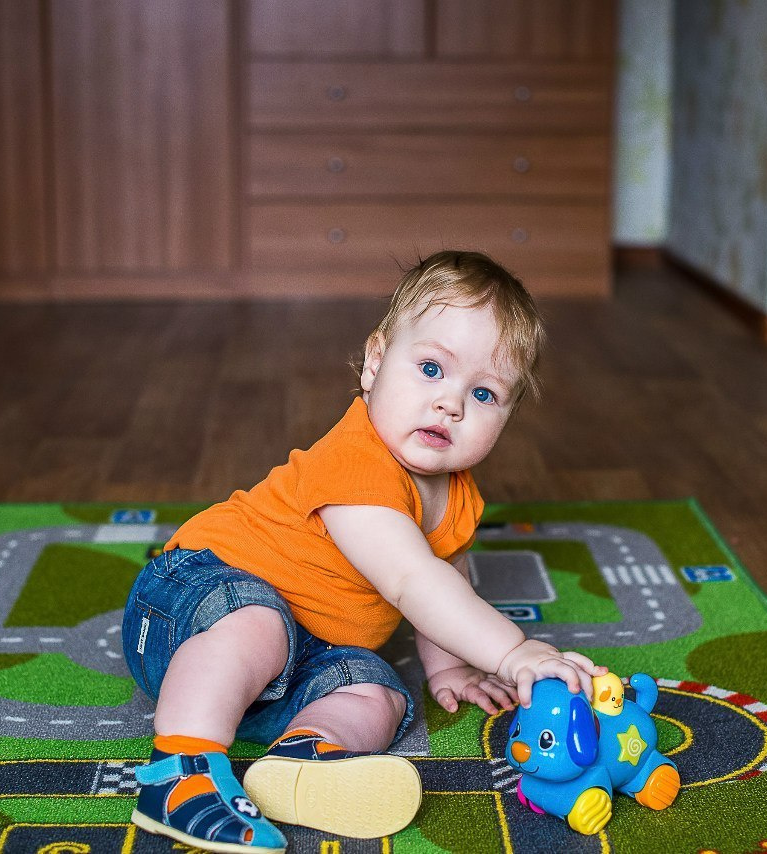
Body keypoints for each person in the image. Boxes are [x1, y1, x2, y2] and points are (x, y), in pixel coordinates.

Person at [121, 250, 604, 852]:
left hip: (297, 657)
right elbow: (412, 582)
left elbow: (445, 583)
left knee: (376, 690)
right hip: (192, 602)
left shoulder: (458, 497)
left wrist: (449, 665)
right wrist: (514, 651)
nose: (450, 403)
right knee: (259, 624)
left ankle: (306, 758)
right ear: (375, 362)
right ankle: (179, 774)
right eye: (431, 369)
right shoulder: (356, 463)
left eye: (483, 394)